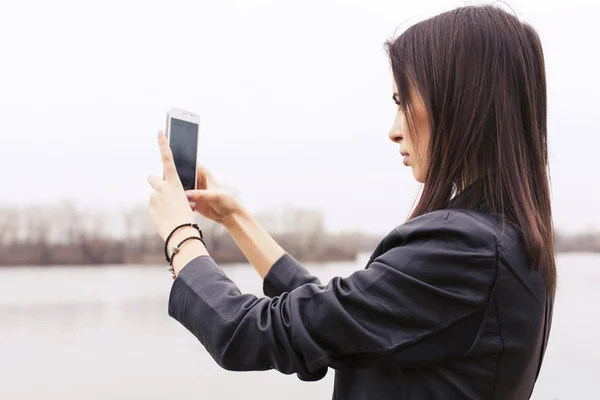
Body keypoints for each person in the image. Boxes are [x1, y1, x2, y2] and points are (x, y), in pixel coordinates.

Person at [146, 4, 555, 400]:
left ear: (461, 100)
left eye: (402, 102)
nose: (394, 131)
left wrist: (181, 238)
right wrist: (236, 220)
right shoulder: (506, 243)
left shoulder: (466, 251)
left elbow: (251, 333)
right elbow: (339, 316)